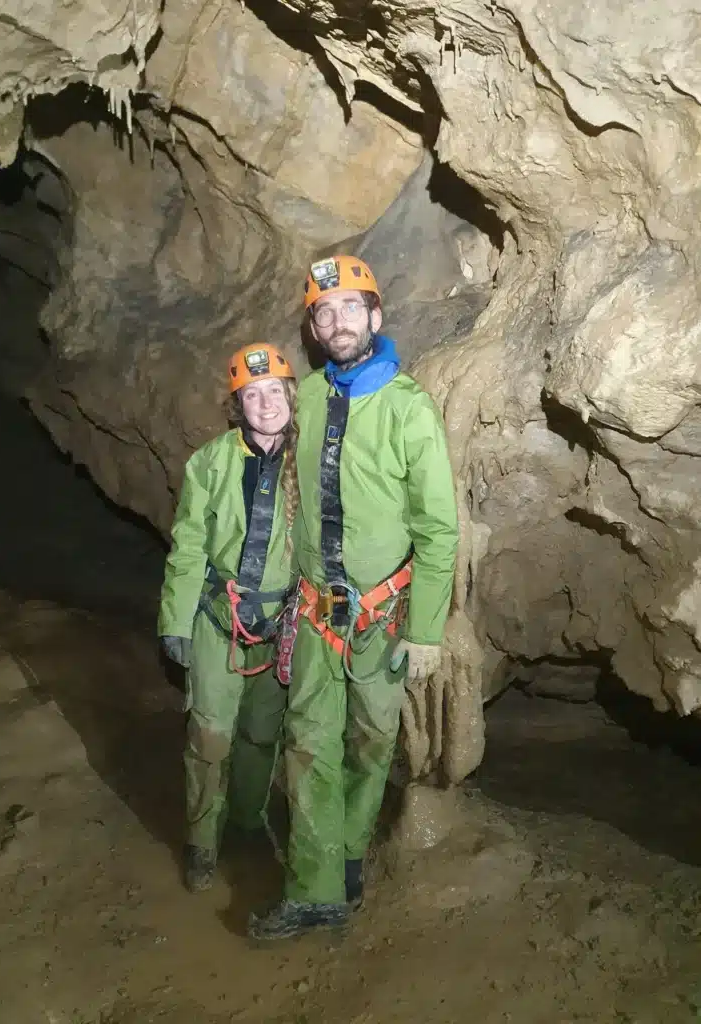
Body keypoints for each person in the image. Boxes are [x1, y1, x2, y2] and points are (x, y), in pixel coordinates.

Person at [248, 255, 459, 940]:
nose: (336, 323)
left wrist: (426, 629)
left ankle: (347, 855)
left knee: (371, 740)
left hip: (384, 613)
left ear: (375, 316)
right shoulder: (304, 397)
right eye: (323, 313)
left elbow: (438, 528)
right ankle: (314, 891)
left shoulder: (409, 409)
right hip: (315, 609)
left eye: (348, 309)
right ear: (313, 328)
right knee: (310, 742)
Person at [158, 343, 298, 892]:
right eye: (251, 394)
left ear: (289, 395)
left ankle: (246, 821)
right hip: (219, 617)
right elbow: (189, 545)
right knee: (211, 734)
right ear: (237, 403)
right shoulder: (211, 462)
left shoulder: (309, 461)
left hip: (284, 622)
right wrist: (175, 620)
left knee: (263, 735)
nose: (265, 404)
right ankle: (201, 841)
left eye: (273, 392)